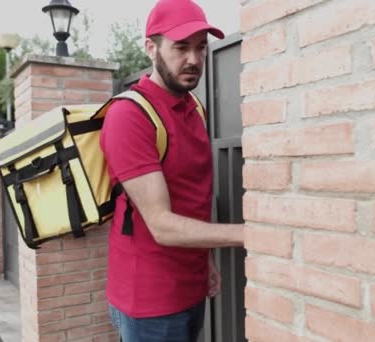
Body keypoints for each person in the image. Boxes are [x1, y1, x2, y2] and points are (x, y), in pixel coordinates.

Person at [99, 0, 244, 341]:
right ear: (151, 48)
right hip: (149, 303)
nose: (194, 59)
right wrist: (252, 234)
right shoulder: (130, 116)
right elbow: (162, 225)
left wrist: (204, 259)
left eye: (201, 48)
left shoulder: (194, 107)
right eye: (181, 47)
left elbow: (192, 196)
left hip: (190, 286)